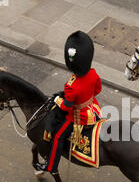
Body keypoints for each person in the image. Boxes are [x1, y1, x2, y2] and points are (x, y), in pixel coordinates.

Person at [35, 30, 102, 174]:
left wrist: (57, 99)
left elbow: (66, 107)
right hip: (93, 108)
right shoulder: (93, 73)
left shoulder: (72, 86)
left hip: (79, 116)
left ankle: (50, 166)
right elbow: (98, 90)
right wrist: (86, 99)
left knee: (58, 136)